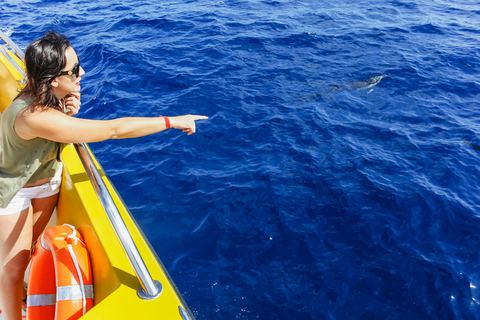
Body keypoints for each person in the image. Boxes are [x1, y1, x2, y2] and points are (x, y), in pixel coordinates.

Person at [0, 31, 208, 320]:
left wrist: (69, 109)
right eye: (74, 70)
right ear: (54, 79)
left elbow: (55, 128)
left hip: (46, 182)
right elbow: (114, 130)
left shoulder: (50, 94)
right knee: (12, 267)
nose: (82, 71)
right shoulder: (34, 115)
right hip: (14, 191)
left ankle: (23, 292)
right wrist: (172, 121)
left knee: (30, 247)